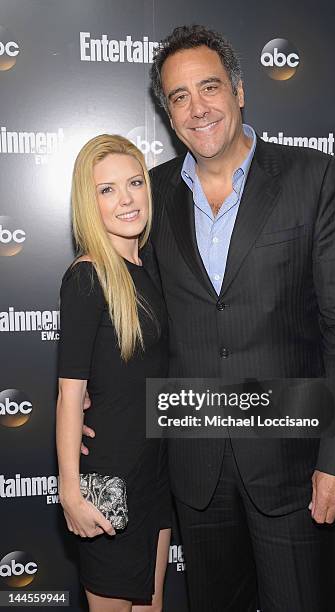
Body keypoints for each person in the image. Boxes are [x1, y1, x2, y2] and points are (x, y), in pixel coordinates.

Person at [83, 25, 335, 612]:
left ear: (239, 90)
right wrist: (96, 395)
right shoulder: (152, 195)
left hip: (292, 467)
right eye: (179, 97)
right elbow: (126, 305)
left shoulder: (311, 178)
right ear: (167, 113)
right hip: (193, 466)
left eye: (209, 87)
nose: (198, 108)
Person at [56, 134, 171, 612]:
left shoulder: (154, 270)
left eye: (135, 183)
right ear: (90, 202)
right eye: (107, 189)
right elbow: (69, 396)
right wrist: (69, 494)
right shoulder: (86, 277)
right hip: (108, 485)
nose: (125, 199)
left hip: (156, 477)